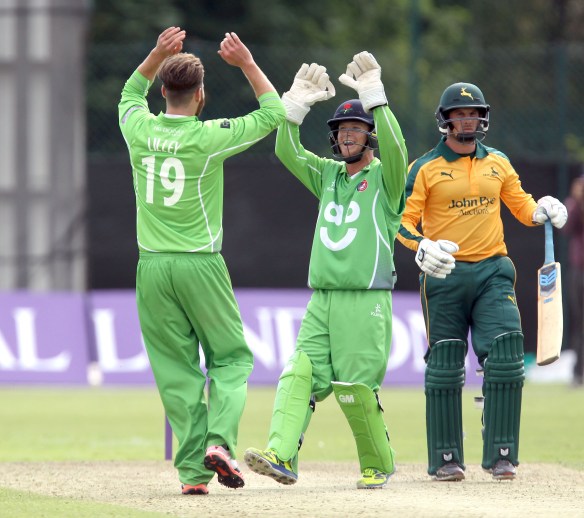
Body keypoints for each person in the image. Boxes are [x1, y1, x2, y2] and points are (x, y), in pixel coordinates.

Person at [117, 27, 285, 495]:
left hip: (151, 267)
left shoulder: (138, 127)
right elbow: (273, 112)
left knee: (177, 372)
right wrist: (248, 63)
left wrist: (155, 52)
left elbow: (131, 92)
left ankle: (193, 475)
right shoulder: (209, 137)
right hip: (200, 263)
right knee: (231, 360)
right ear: (200, 94)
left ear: (165, 91)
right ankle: (219, 443)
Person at [244, 52, 408, 489]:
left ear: (368, 137)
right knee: (299, 373)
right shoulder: (328, 176)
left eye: (356, 129)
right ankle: (281, 454)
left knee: (355, 388)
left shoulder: (388, 183)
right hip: (323, 298)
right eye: (341, 130)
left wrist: (376, 98)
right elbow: (285, 149)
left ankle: (378, 463)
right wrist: (292, 107)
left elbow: (397, 151)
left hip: (365, 296)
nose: (348, 135)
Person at [397, 82, 568, 482]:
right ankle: (445, 459)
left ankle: (502, 454)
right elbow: (401, 223)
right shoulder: (423, 168)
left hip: (493, 270)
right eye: (460, 114)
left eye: (473, 114)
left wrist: (542, 209)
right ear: (446, 120)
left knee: (507, 356)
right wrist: (421, 247)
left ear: (482, 118)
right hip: (444, 274)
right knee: (444, 365)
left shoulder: (499, 162)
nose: (468, 120)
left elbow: (522, 205)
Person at [562, 174, 584, 386]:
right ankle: (578, 373)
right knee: (580, 323)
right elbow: (567, 228)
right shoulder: (574, 204)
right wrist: (577, 202)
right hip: (580, 271)